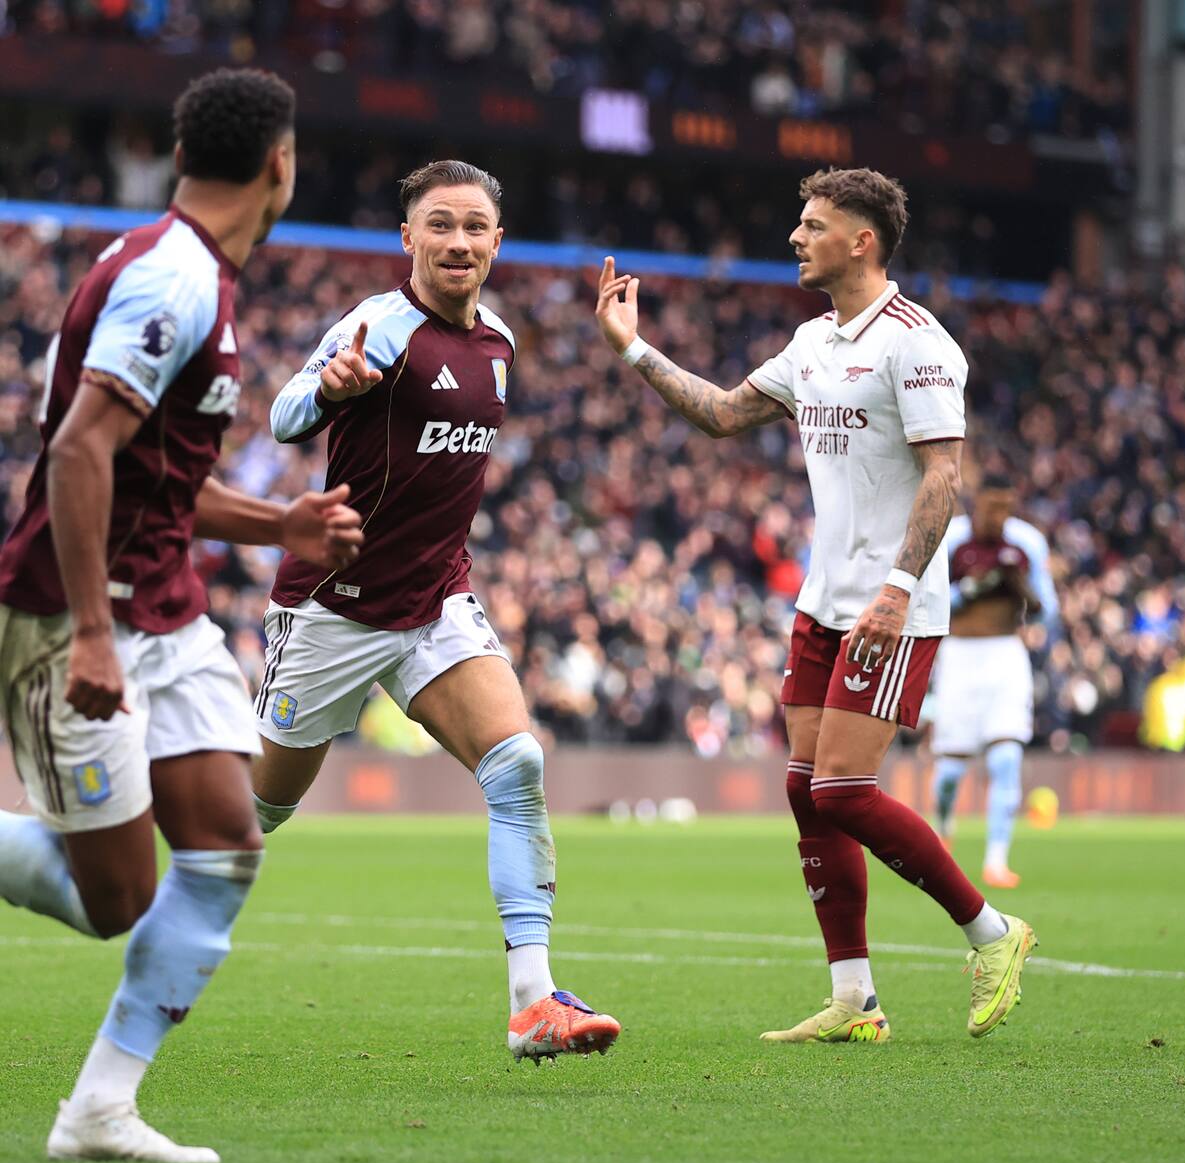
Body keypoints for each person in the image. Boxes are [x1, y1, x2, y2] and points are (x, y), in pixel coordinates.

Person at [0, 68, 364, 1163]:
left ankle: (100, 1112)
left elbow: (152, 477)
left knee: (224, 843)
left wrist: (279, 527)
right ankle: (101, 1108)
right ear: (280, 166)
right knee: (117, 898)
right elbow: (77, 454)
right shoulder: (172, 281)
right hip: (78, 620)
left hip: (165, 608)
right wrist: (96, 634)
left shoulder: (191, 271)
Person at [595, 167, 1037, 1044]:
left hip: (892, 605)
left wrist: (898, 589)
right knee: (805, 788)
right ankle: (854, 998)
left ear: (860, 241)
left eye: (812, 224)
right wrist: (632, 349)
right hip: (823, 601)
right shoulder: (813, 344)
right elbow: (723, 415)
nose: (796, 237)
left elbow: (946, 474)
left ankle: (994, 934)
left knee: (840, 786)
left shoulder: (919, 343)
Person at [250, 159, 620, 1062]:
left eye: (476, 227)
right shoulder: (379, 325)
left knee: (518, 764)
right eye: (440, 225)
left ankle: (534, 1003)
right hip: (334, 606)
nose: (459, 242)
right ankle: (83, 835)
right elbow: (283, 414)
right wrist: (329, 390)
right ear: (407, 238)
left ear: (498, 240)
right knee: (249, 816)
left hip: (435, 601)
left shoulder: (500, 340)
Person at [929, 473, 1059, 886]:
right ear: (975, 505)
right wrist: (968, 591)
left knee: (1006, 759)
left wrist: (1022, 591)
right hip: (959, 655)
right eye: (992, 507)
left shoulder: (1027, 543)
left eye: (1006, 507)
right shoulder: (951, 540)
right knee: (951, 771)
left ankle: (996, 860)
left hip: (1006, 654)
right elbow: (927, 598)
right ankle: (944, 829)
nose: (999, 516)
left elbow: (1047, 608)